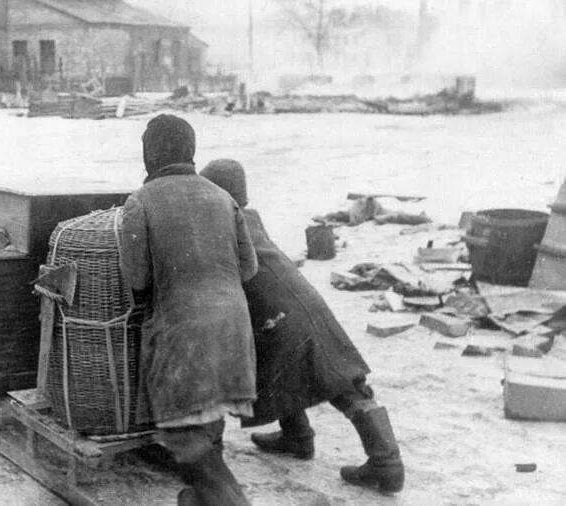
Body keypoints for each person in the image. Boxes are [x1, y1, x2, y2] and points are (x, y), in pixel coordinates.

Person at [199, 159, 405, 494]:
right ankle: (299, 439)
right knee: (319, 375)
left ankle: (386, 465)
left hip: (280, 316)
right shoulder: (249, 218)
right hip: (305, 305)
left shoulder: (222, 226)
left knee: (332, 384)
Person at [118, 115, 258, 506]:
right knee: (209, 422)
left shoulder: (139, 202)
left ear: (149, 155)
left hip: (183, 334)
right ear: (191, 151)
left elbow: (138, 278)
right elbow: (249, 268)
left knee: (183, 436)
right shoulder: (222, 197)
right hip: (234, 329)